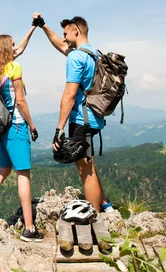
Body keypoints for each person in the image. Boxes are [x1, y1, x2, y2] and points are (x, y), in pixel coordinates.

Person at [32, 13, 114, 213]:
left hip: (82, 119)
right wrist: (43, 26)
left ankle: (93, 216)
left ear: (76, 30)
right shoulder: (93, 54)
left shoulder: (76, 57)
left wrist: (59, 128)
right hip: (94, 116)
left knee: (85, 169)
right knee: (88, 163)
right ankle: (105, 204)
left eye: (66, 33)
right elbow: (60, 45)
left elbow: (69, 95)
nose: (64, 38)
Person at [0, 27, 44, 243]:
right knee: (23, 174)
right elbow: (21, 101)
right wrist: (32, 126)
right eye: (12, 45)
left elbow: (21, 48)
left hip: (1, 129)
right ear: (6, 49)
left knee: (3, 169)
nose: (16, 47)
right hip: (16, 126)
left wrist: (33, 28)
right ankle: (30, 228)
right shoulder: (14, 68)